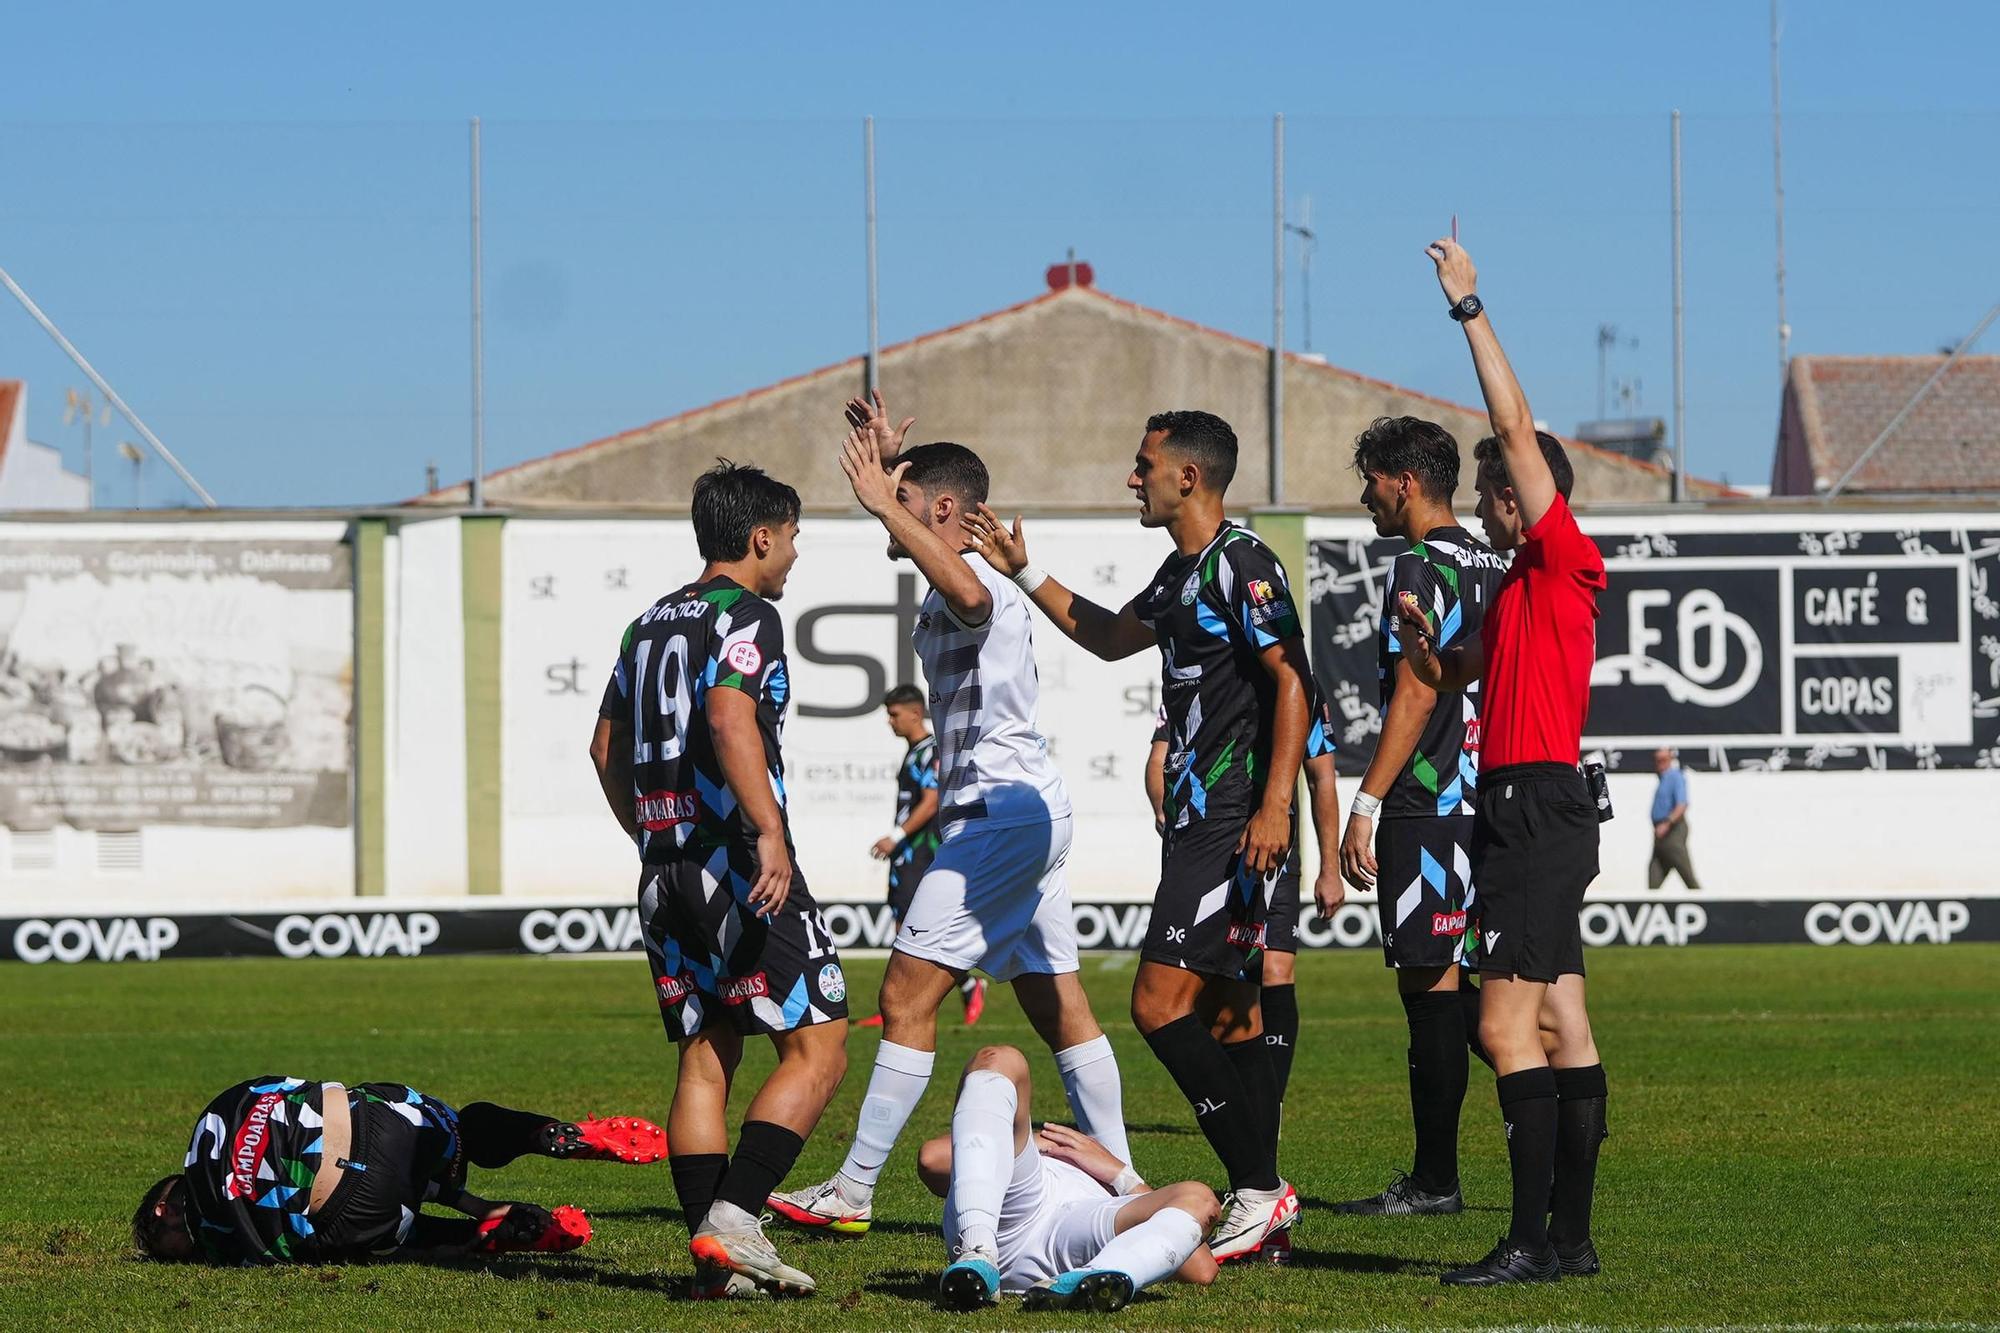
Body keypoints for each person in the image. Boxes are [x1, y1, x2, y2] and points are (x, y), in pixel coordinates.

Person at [770, 395, 1127, 1257]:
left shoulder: (985, 588)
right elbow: (939, 569)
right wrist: (894, 472)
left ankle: (852, 1188)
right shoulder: (942, 584)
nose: (882, 512)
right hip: (1023, 811)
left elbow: (966, 586)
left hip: (998, 818)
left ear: (940, 510)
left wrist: (885, 497)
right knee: (1059, 1002)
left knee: (902, 997)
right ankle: (1129, 1179)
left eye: (903, 499)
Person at [963, 409, 1310, 1263]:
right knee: (1230, 1017)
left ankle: (1259, 1190)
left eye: (1143, 463)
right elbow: (1112, 637)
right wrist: (1025, 569)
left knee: (1156, 1004)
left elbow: (1294, 680)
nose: (1133, 477)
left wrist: (1276, 805)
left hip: (1232, 815)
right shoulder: (1182, 570)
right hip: (1200, 815)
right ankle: (1264, 1199)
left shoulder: (1244, 563)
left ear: (1187, 476)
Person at [1397, 237, 1610, 1286]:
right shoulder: (1513, 590)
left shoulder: (1562, 554)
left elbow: (1514, 425)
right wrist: (1429, 648)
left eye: (1500, 492)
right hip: (1523, 808)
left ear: (1532, 500)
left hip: (1534, 809)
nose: (1490, 504)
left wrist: (1467, 306)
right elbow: (1458, 668)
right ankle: (1565, 1241)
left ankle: (1527, 1238)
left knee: (1497, 1022)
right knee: (1560, 1014)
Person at [589, 460, 850, 1298]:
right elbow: (729, 713)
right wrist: (766, 831)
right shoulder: (748, 616)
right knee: (820, 1043)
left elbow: (603, 748)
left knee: (707, 1053)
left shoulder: (646, 624)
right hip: (735, 860)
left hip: (664, 867)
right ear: (761, 536)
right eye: (795, 538)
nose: (796, 555)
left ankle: (713, 1263)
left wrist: (650, 833)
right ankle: (734, 1219)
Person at [1333, 415, 1508, 1218]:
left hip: (1427, 805)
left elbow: (1415, 686)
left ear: (1404, 480)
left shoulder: (1420, 563)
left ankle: (1437, 1179)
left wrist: (1364, 802)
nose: (1365, 494)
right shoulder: (1492, 561)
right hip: (1483, 799)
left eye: (1370, 478)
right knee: (1461, 985)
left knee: (1429, 989)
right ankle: (1543, 1086)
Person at [133, 1075, 664, 1266]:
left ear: (163, 1212)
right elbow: (301, 1085)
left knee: (352, 1238)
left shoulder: (220, 1238)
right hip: (384, 1128)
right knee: (462, 1129)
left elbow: (283, 1252)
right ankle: (543, 1133)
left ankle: (480, 1229)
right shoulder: (214, 1116)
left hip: (365, 1210)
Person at [916, 1045, 1219, 1311]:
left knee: (1201, 1197)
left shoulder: (1117, 1183)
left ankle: (1098, 1278)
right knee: (1000, 1059)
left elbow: (1202, 1270)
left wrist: (1119, 1174)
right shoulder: (1043, 1148)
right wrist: (1041, 1143)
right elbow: (932, 1160)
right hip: (1013, 1215)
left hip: (1077, 1234)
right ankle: (977, 1254)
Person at [861, 683, 985, 1027]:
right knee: (905, 926)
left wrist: (896, 836)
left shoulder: (930, 750)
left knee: (914, 931)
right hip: (906, 855)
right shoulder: (914, 751)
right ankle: (900, 1002)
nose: (890, 722)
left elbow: (931, 802)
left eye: (894, 714)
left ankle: (963, 985)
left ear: (916, 713)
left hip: (919, 851)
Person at [1648, 747, 1700, 890]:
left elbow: (1682, 805)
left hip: (1672, 830)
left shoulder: (1675, 777)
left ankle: (1703, 903)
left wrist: (1667, 823)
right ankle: (1651, 906)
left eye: (1663, 760)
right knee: (1653, 879)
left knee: (1686, 873)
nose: (1660, 763)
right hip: (1660, 833)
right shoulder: (1662, 779)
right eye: (1657, 760)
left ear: (1671, 760)